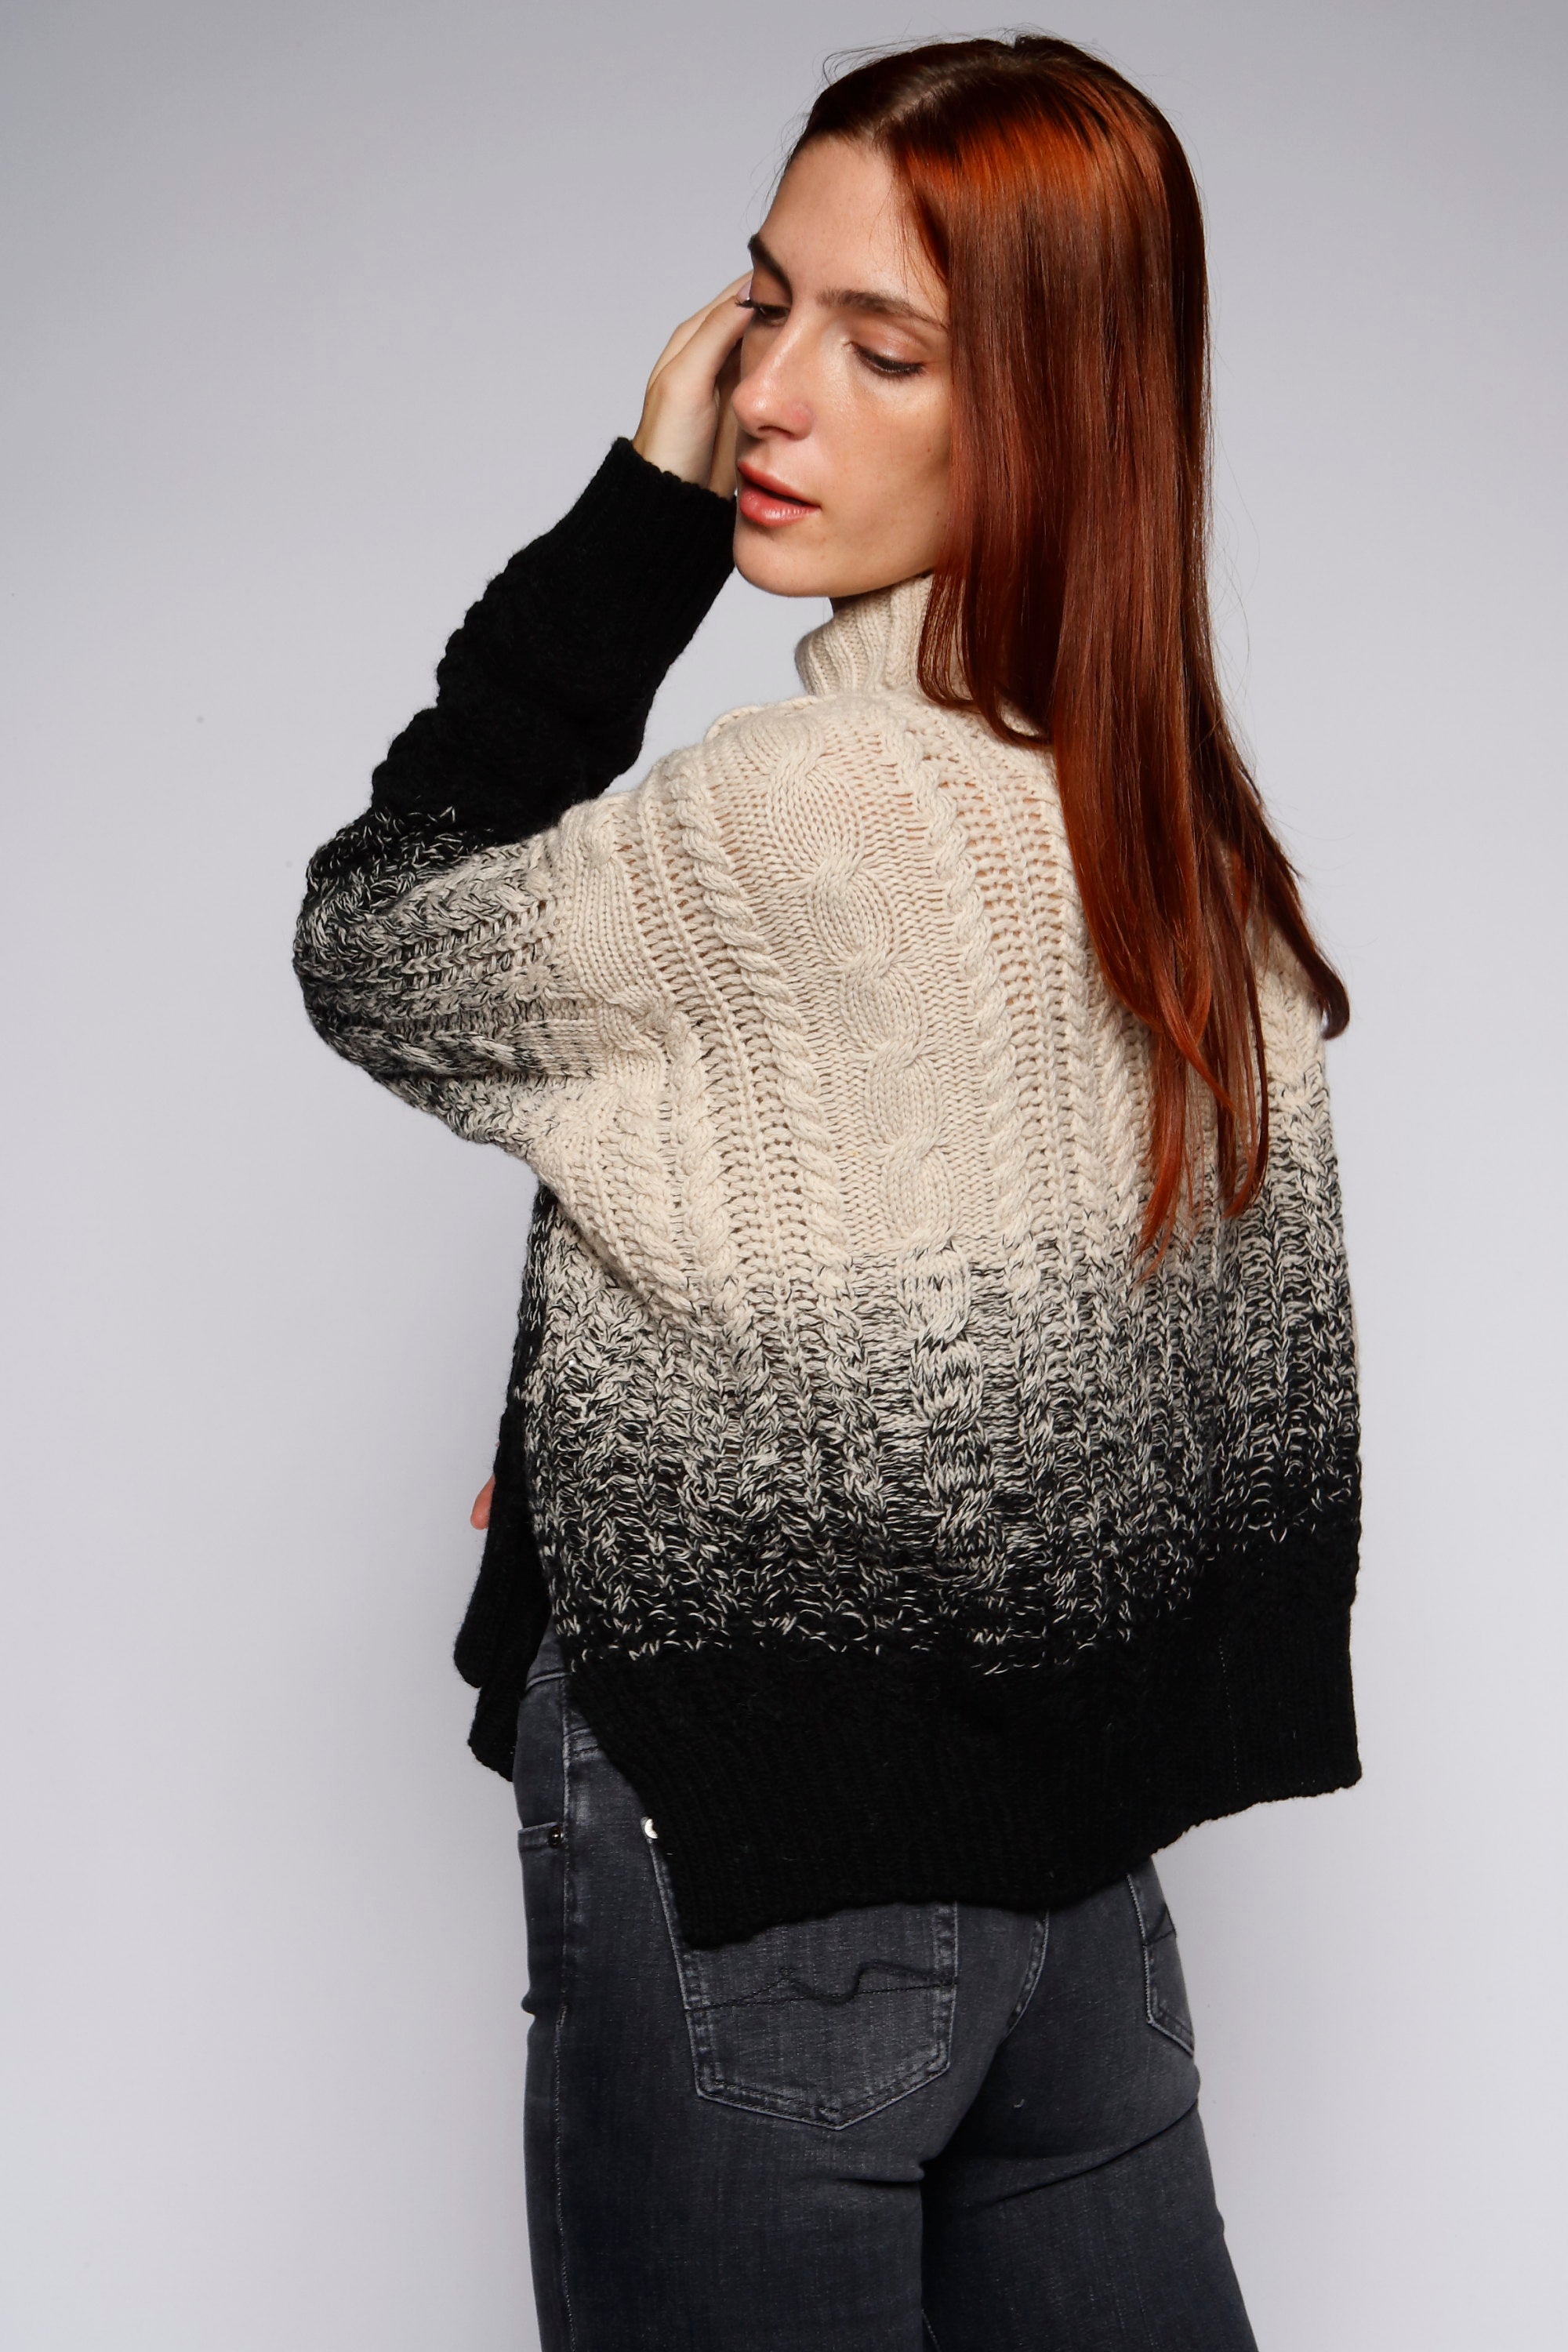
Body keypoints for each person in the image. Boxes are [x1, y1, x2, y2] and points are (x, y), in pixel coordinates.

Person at [294, 33, 1360, 2351]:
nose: (772, 396)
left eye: (885, 349)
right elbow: (1149, 1405)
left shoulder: (791, 812)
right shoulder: (1170, 817)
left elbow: (371, 939)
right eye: (766, 303)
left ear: (1055, 413)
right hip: (1080, 1893)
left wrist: (639, 523)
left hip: (752, 1880)